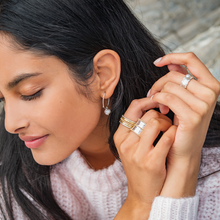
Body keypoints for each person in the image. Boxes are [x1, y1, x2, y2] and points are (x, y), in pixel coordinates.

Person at [0, 0, 219, 219]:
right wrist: (139, 203)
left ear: (102, 75)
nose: (10, 124)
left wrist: (184, 166)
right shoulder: (15, 183)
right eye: (2, 100)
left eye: (30, 93)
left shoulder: (213, 180)